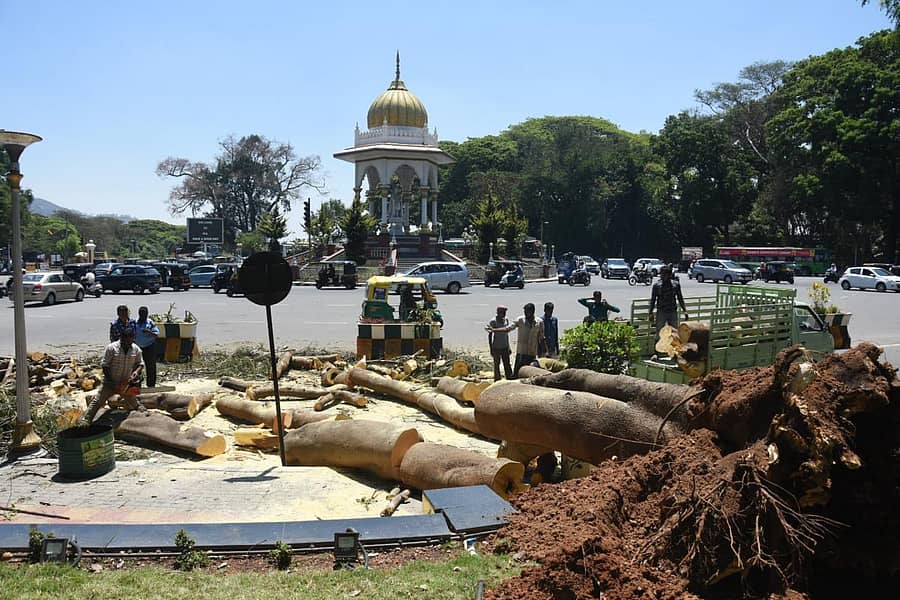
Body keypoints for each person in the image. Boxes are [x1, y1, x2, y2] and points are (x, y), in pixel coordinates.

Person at [82, 327, 144, 423]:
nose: (128, 343)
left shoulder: (136, 349)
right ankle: (85, 421)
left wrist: (136, 372)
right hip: (110, 383)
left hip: (126, 383)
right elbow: (105, 365)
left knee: (135, 403)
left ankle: (145, 418)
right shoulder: (111, 348)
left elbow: (140, 364)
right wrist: (111, 381)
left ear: (133, 339)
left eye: (130, 341)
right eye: (126, 341)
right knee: (98, 401)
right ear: (121, 338)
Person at [487, 303, 545, 378]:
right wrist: (494, 330)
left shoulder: (539, 322)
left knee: (529, 373)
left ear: (532, 311)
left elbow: (541, 338)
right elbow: (508, 329)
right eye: (525, 312)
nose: (525, 314)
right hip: (521, 352)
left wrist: (544, 352)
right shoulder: (520, 320)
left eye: (527, 312)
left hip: (532, 352)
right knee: (516, 373)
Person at [649, 265, 689, 337]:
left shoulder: (675, 285)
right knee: (659, 332)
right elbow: (653, 299)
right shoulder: (657, 285)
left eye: (664, 274)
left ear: (669, 275)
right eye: (661, 274)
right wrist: (650, 312)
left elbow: (680, 298)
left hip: (672, 311)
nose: (662, 276)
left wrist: (685, 310)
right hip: (661, 311)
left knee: (674, 332)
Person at [135, 306, 160, 388]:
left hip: (149, 346)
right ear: (139, 314)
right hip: (137, 347)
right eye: (141, 314)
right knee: (137, 366)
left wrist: (149, 332)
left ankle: (151, 385)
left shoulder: (150, 323)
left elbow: (156, 334)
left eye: (144, 314)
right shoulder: (135, 322)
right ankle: (137, 384)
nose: (143, 315)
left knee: (150, 366)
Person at [486, 305, 513, 381]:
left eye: (505, 312)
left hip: (505, 346)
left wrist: (509, 346)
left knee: (507, 364)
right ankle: (497, 380)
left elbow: (506, 334)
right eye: (502, 312)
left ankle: (509, 379)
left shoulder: (506, 320)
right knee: (496, 365)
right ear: (498, 312)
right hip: (496, 347)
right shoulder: (493, 321)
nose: (504, 314)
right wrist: (491, 348)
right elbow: (490, 335)